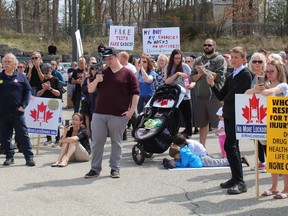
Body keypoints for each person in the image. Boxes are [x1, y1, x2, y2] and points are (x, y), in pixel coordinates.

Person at [85, 47, 139, 179]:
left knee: (116, 142)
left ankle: (115, 168)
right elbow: (90, 90)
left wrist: (131, 111)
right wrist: (97, 80)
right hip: (99, 112)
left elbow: (136, 93)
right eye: (106, 58)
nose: (108, 60)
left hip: (118, 114)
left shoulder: (128, 74)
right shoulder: (102, 72)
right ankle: (95, 168)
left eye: (110, 57)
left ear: (117, 56)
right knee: (97, 141)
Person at [206, 46, 252, 195]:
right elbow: (221, 95)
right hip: (229, 114)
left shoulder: (245, 74)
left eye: (236, 57)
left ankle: (240, 181)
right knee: (231, 146)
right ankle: (235, 178)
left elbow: (234, 94)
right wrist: (212, 84)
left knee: (231, 145)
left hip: (237, 114)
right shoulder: (231, 75)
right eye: (232, 57)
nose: (232, 60)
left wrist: (225, 100)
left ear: (244, 59)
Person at [245, 60, 288, 199]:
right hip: (268, 125)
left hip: (282, 126)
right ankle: (274, 187)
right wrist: (255, 89)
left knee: (283, 158)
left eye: (272, 71)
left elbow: (270, 92)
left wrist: (258, 90)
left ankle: (286, 189)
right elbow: (246, 94)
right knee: (271, 157)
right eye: (267, 71)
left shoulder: (283, 85)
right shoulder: (265, 85)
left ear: (279, 72)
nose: (269, 74)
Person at [0, 53, 35, 166]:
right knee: (6, 136)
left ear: (15, 64)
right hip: (3, 113)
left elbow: (28, 91)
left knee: (23, 135)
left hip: (17, 112)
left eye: (9, 62)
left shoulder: (21, 76)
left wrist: (23, 105)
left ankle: (29, 157)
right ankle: (9, 157)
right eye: (5, 62)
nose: (6, 64)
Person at [191, 39, 226, 145]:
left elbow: (220, 76)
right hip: (201, 96)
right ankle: (202, 148)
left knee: (221, 124)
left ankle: (225, 150)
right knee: (202, 124)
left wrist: (205, 71)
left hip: (215, 96)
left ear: (214, 46)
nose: (207, 47)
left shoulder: (220, 59)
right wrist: (200, 73)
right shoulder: (198, 60)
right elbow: (193, 78)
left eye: (209, 45)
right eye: (205, 45)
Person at [165, 49, 193, 137]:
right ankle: (174, 138)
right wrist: (177, 74)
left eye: (179, 58)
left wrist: (190, 85)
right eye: (176, 58)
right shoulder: (168, 67)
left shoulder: (185, 67)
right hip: (174, 96)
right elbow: (167, 81)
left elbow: (191, 80)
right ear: (172, 58)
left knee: (188, 119)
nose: (178, 60)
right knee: (174, 120)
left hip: (185, 96)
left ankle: (189, 136)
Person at [247, 52, 267, 172]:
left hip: (266, 107)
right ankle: (262, 162)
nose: (257, 64)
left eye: (260, 61)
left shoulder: (268, 73)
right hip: (252, 107)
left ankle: (271, 161)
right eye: (254, 61)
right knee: (256, 137)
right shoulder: (248, 75)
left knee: (267, 138)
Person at [36, 63, 62, 146]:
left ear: (50, 72)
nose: (45, 75)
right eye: (44, 73)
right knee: (46, 121)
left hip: (54, 103)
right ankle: (49, 139)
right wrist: (44, 89)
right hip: (45, 104)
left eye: (47, 73)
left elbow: (59, 93)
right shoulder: (42, 81)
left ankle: (57, 139)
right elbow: (37, 94)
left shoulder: (55, 80)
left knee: (55, 122)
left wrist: (50, 88)